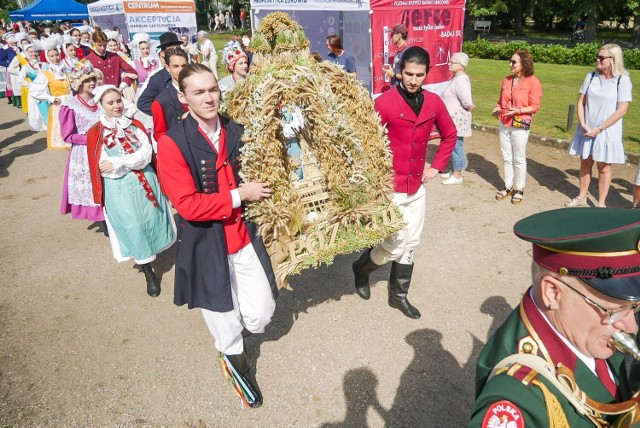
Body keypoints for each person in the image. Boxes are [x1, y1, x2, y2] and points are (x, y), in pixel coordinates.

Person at [156, 63, 277, 408]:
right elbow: (189, 205)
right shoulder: (172, 143)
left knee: (262, 313)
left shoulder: (237, 129)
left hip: (243, 237)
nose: (209, 98)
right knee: (225, 322)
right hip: (205, 245)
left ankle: (235, 336)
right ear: (183, 98)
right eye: (198, 92)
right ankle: (237, 366)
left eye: (212, 89)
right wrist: (241, 194)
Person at [469, 207, 640, 426]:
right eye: (614, 312)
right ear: (553, 293)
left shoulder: (587, 326)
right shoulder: (517, 400)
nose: (631, 326)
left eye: (634, 307)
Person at [351, 46, 456, 319]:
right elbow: (366, 143)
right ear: (400, 72)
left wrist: (436, 167)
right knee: (394, 245)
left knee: (412, 243)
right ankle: (361, 269)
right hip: (391, 189)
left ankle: (398, 296)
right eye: (408, 73)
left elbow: (450, 134)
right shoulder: (384, 102)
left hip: (417, 187)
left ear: (426, 74)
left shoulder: (434, 102)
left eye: (419, 75)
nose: (412, 80)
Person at [87, 85, 176, 297]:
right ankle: (148, 272)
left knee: (152, 219)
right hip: (119, 190)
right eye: (111, 102)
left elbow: (146, 154)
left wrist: (120, 161)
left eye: (118, 100)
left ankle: (156, 252)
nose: (117, 105)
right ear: (101, 105)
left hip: (146, 182)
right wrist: (127, 163)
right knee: (133, 226)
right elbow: (104, 168)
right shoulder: (96, 133)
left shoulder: (134, 125)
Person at [564, 44, 632, 209]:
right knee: (585, 163)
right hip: (587, 129)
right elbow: (581, 102)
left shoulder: (622, 80)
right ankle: (581, 197)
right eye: (598, 56)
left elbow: (622, 110)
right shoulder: (591, 76)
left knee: (603, 167)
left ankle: (601, 204)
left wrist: (600, 129)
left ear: (613, 60)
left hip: (606, 132)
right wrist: (583, 124)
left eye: (602, 58)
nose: (598, 60)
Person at [492, 50, 543, 204]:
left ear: (524, 64)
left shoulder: (533, 81)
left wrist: (519, 110)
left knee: (519, 157)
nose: (510, 64)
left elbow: (535, 106)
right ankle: (508, 186)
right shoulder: (506, 80)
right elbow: (501, 102)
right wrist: (497, 109)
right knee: (506, 156)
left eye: (514, 62)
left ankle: (519, 188)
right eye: (510, 61)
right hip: (505, 122)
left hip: (521, 122)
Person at [59, 60, 104, 223]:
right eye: (87, 80)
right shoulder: (70, 106)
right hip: (84, 151)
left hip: (104, 148)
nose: (92, 83)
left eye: (93, 79)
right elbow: (67, 135)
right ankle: (97, 215)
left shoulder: (99, 100)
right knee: (90, 183)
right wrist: (91, 139)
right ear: (78, 83)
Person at [30, 36, 72, 149]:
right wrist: (50, 98)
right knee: (61, 126)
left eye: (56, 55)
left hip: (71, 101)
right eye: (52, 56)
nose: (55, 58)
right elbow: (34, 91)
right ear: (47, 58)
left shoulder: (67, 70)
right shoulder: (46, 74)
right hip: (58, 104)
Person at [440, 52, 475, 185]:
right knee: (452, 144)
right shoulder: (456, 78)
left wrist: (469, 106)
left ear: (461, 66)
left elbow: (466, 99)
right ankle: (456, 168)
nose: (449, 64)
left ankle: (458, 174)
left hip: (457, 119)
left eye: (452, 62)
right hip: (451, 118)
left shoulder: (461, 80)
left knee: (455, 145)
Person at [136, 31, 181, 116]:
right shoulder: (158, 78)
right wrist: (166, 114)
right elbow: (143, 103)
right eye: (171, 50)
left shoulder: (192, 71)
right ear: (163, 53)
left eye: (177, 49)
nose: (175, 52)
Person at [150, 46, 189, 142]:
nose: (181, 70)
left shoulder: (200, 91)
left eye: (184, 66)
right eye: (176, 66)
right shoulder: (161, 102)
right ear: (168, 68)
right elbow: (160, 135)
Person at [18, 44, 45, 127]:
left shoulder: (44, 64)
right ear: (27, 53)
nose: (34, 53)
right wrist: (31, 85)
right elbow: (20, 80)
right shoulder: (26, 67)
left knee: (47, 112)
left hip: (45, 91)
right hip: (36, 93)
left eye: (36, 51)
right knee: (38, 114)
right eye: (31, 52)